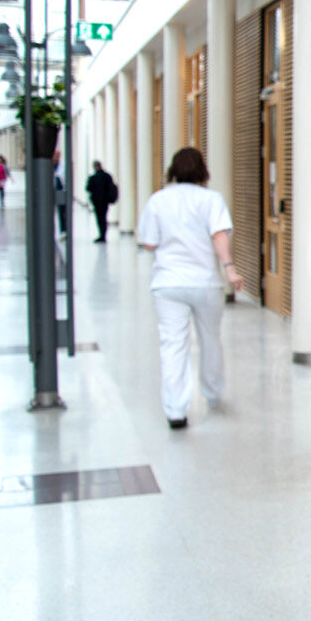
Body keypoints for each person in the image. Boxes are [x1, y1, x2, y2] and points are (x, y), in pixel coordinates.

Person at [137, 147, 244, 429]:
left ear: (173, 170)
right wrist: (230, 268)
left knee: (173, 345)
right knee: (210, 338)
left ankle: (176, 410)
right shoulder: (211, 200)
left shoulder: (158, 201)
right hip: (205, 282)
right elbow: (218, 234)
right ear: (202, 171)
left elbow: (148, 242)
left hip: (168, 283)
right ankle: (212, 393)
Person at [85, 161, 117, 242]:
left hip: (97, 202)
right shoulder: (107, 176)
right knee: (104, 217)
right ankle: (103, 235)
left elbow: (88, 188)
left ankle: (101, 235)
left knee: (99, 218)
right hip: (105, 201)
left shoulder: (93, 178)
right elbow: (112, 187)